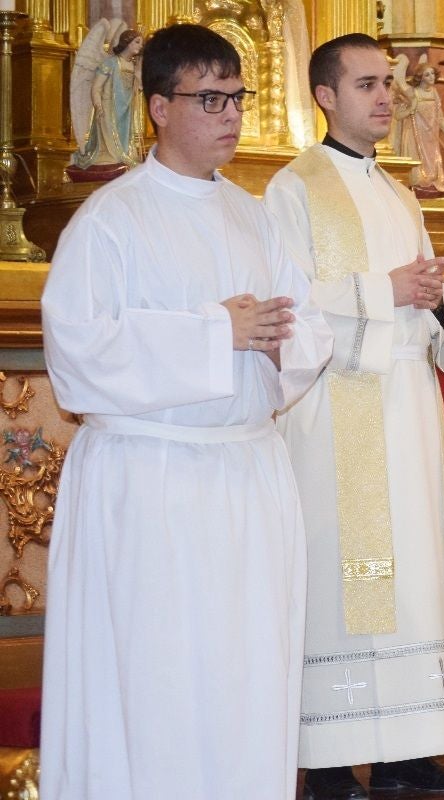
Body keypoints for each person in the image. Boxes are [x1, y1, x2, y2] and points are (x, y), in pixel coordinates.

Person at [39, 23, 332, 799]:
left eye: (238, 97)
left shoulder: (254, 215)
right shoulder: (110, 220)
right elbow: (77, 355)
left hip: (247, 473)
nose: (231, 114)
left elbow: (308, 326)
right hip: (151, 482)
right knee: (157, 675)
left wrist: (279, 342)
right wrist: (214, 331)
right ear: (160, 107)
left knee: (246, 671)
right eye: (211, 99)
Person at [263, 34, 444, 799]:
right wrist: (387, 290)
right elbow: (287, 306)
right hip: (334, 410)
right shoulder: (293, 190)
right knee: (337, 578)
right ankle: (325, 763)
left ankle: (405, 752)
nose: (387, 97)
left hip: (407, 408)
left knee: (412, 577)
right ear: (325, 96)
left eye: (388, 83)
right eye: (367, 84)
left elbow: (429, 299)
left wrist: (436, 300)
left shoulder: (397, 192)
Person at [71, 28, 144, 170]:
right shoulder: (110, 63)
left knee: (124, 138)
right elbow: (96, 87)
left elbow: (138, 88)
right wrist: (98, 105)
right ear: (127, 42)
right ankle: (108, 158)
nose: (140, 46)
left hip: (126, 109)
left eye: (141, 43)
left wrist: (139, 70)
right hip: (108, 107)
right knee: (109, 140)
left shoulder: (133, 65)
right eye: (137, 42)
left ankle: (122, 156)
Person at [391, 59, 444, 193]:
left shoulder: (434, 92)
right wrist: (411, 109)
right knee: (417, 161)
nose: (431, 77)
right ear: (420, 77)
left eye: (432, 74)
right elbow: (398, 115)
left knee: (432, 160)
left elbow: (439, 116)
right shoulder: (413, 92)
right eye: (427, 74)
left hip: (431, 134)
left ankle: (431, 184)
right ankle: (417, 185)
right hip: (414, 134)